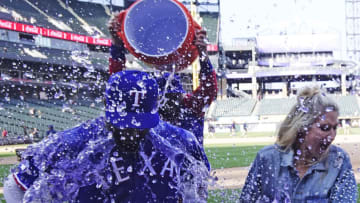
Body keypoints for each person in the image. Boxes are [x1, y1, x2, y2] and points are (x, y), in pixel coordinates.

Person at [4, 70, 209, 202]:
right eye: (123, 125)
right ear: (106, 106)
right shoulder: (72, 142)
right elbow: (16, 185)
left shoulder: (180, 141)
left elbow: (200, 184)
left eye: (139, 126)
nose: (131, 133)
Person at [108, 11, 217, 145]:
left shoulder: (187, 108)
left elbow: (209, 89)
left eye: (173, 97)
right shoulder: (149, 115)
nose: (169, 102)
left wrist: (203, 56)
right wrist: (117, 45)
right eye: (169, 97)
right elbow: (118, 86)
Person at [240, 86, 358, 202]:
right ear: (302, 127)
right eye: (325, 128)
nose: (332, 136)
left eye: (335, 128)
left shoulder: (338, 160)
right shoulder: (267, 158)